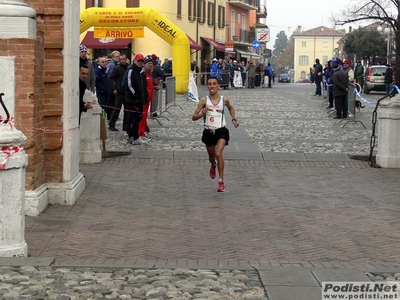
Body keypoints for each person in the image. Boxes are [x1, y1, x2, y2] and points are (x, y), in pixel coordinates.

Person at [191, 76, 239, 192]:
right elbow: (194, 117)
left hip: (221, 130)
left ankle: (221, 181)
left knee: (218, 154)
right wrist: (203, 113)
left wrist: (233, 119)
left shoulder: (224, 100)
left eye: (214, 84)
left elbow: (231, 108)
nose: (212, 86)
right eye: (210, 84)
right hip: (208, 132)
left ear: (218, 86)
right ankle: (213, 165)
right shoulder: (204, 100)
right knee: (212, 157)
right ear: (207, 86)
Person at [124, 54, 148, 145]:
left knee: (138, 118)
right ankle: (135, 137)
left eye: (142, 61)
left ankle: (131, 136)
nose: (141, 63)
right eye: (139, 61)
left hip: (140, 100)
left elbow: (144, 86)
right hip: (133, 100)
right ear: (135, 61)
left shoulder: (142, 71)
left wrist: (144, 97)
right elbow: (129, 85)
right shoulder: (131, 70)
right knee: (134, 118)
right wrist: (136, 97)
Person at [108, 53, 129, 131]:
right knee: (116, 109)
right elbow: (110, 78)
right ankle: (111, 124)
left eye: (124, 59)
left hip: (127, 92)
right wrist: (114, 88)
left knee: (127, 110)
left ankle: (125, 125)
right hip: (119, 92)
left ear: (126, 59)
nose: (123, 61)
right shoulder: (117, 68)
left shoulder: (129, 67)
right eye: (121, 59)